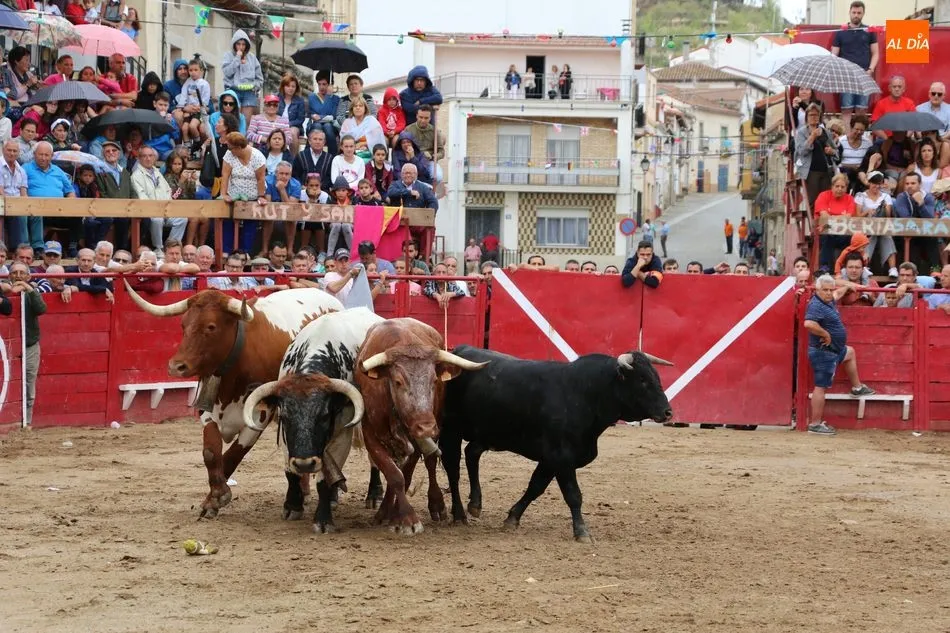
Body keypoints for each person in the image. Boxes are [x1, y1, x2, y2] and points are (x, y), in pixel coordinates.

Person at [804, 274, 876, 436]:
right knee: (820, 387)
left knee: (849, 352)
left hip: (834, 351)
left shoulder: (827, 300)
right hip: (823, 352)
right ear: (817, 290)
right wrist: (825, 334)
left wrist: (848, 287)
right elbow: (808, 324)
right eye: (825, 290)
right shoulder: (816, 305)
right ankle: (815, 424)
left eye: (831, 289)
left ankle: (857, 387)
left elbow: (837, 293)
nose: (829, 293)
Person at [6, 262, 46, 426]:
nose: (18, 276)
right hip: (7, 348)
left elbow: (41, 309)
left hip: (29, 345)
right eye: (14, 272)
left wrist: (29, 289)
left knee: (29, 382)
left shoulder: (31, 293)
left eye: (22, 273)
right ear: (9, 275)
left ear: (29, 276)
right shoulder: (4, 292)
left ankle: (27, 421)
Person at [831, 1, 878, 127]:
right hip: (846, 76)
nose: (856, 15)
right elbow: (833, 55)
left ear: (863, 14)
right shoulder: (840, 32)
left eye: (859, 13)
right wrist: (838, 72)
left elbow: (876, 53)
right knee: (846, 109)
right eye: (854, 12)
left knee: (861, 109)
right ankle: (847, 138)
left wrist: (870, 70)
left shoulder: (869, 31)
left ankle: (860, 137)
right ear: (850, 13)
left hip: (864, 75)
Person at [795, 103, 839, 210]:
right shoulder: (801, 132)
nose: (814, 117)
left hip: (826, 170)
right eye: (811, 115)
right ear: (806, 117)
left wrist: (831, 151)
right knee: (813, 200)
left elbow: (836, 151)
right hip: (811, 171)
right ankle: (814, 225)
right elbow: (801, 151)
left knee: (826, 200)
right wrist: (812, 136)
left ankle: (823, 224)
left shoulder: (825, 132)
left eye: (816, 115)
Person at [223, 29, 263, 124]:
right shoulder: (228, 56)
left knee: (245, 121)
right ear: (234, 44)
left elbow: (259, 78)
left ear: (247, 45)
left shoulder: (252, 58)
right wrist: (237, 58)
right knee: (232, 121)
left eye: (243, 44)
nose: (241, 47)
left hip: (249, 92)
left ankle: (243, 138)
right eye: (238, 44)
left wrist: (255, 86)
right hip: (233, 91)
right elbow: (227, 72)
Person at [307, 71, 340, 157]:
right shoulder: (312, 97)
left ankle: (332, 157)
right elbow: (315, 116)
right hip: (315, 125)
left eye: (324, 84)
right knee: (318, 126)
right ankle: (308, 156)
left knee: (327, 126)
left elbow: (333, 116)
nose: (321, 87)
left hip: (332, 128)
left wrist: (328, 97)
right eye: (319, 84)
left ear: (330, 84)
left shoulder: (336, 98)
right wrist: (326, 117)